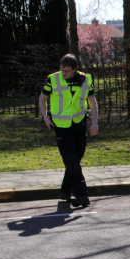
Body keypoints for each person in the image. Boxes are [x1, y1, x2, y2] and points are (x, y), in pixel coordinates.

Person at [38, 54, 98, 207]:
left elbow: (92, 102)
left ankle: (65, 191)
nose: (64, 73)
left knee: (76, 159)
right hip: (61, 126)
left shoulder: (86, 79)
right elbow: (42, 98)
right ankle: (82, 194)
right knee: (71, 160)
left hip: (79, 123)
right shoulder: (53, 79)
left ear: (75, 69)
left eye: (67, 71)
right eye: (62, 70)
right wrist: (45, 117)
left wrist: (94, 123)